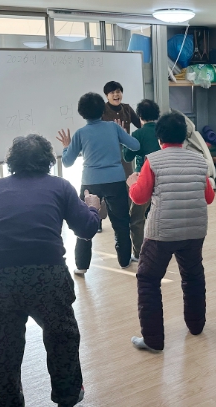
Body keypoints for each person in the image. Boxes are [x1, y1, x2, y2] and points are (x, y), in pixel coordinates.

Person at [0, 134, 101, 407]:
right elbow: (87, 229)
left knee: (1, 349)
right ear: (48, 161)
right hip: (46, 275)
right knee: (62, 336)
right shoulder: (60, 186)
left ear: (12, 162)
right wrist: (93, 207)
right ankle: (68, 395)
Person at [126, 111, 215, 352]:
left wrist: (132, 184)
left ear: (159, 138)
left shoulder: (153, 160)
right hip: (195, 230)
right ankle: (196, 326)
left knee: (148, 279)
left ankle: (153, 340)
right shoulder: (200, 161)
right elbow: (209, 197)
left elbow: (140, 197)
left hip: (161, 233)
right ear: (185, 137)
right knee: (193, 276)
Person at [58, 92, 140, 274]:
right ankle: (124, 261)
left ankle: (81, 265)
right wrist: (122, 134)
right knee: (121, 222)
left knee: (84, 221)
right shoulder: (113, 127)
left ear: (82, 113)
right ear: (103, 109)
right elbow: (135, 145)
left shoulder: (80, 133)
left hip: (90, 182)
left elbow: (67, 162)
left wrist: (66, 146)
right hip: (115, 180)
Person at [123, 99, 162, 262]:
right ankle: (161, 249)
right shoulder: (163, 132)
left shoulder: (138, 134)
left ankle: (139, 253)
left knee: (136, 218)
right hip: (163, 178)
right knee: (158, 216)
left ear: (139, 116)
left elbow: (127, 157)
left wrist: (124, 138)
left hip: (143, 179)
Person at [102, 80, 142, 177]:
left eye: (118, 92)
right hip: (108, 151)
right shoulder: (102, 110)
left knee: (128, 178)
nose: (116, 95)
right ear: (107, 96)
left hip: (125, 150)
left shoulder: (127, 108)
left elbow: (140, 124)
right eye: (112, 92)